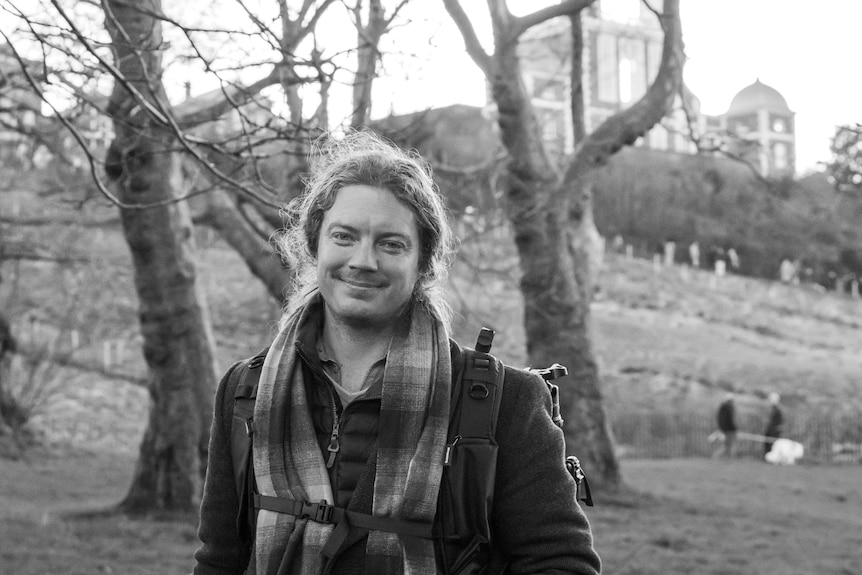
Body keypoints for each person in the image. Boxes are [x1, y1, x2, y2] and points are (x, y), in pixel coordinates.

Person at [193, 131, 601, 575]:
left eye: (391, 244)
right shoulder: (244, 392)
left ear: (423, 263)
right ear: (315, 245)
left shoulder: (504, 402)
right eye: (344, 237)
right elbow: (219, 560)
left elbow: (561, 564)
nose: (363, 261)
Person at [713, 392, 737, 458]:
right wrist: (732, 428)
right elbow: (728, 420)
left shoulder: (725, 408)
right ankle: (716, 456)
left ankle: (727, 458)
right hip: (728, 430)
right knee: (728, 445)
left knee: (728, 445)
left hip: (727, 429)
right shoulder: (727, 408)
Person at [763, 392, 784, 458]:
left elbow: (778, 423)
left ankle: (772, 458)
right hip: (771, 431)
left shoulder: (777, 411)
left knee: (773, 446)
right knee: (768, 445)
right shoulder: (774, 410)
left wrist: (774, 430)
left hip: (774, 432)